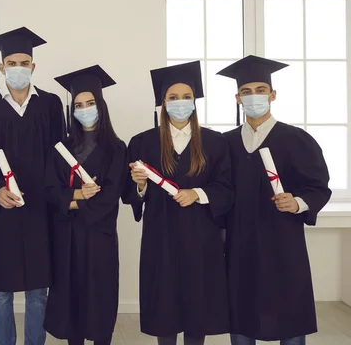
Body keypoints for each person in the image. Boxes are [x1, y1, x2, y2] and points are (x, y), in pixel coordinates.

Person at [217, 55, 332, 345]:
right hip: (239, 244)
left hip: (283, 243)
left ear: (272, 94)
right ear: (237, 98)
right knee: (241, 312)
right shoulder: (225, 143)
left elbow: (318, 187)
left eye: (259, 90)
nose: (253, 97)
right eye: (246, 92)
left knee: (289, 313)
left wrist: (297, 202)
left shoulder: (296, 139)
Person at [0, 27, 65, 345]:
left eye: (24, 62)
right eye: (11, 62)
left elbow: (59, 157)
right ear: (1, 67)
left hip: (38, 212)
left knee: (38, 292)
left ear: (33, 67)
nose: (18, 67)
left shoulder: (50, 106)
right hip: (2, 213)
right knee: (1, 294)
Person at [122, 61, 233, 345]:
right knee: (164, 305)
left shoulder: (215, 142)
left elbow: (227, 188)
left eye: (186, 97)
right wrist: (140, 183)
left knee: (198, 305)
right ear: (163, 102)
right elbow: (129, 194)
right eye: (173, 97)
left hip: (202, 237)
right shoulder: (143, 143)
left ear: (194, 102)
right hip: (162, 238)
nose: (180, 103)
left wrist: (198, 193)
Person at [43, 65, 126, 345]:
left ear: (100, 105)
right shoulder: (61, 149)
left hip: (99, 238)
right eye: (78, 104)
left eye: (90, 103)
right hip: (67, 239)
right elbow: (51, 193)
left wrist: (70, 201)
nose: (84, 108)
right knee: (72, 304)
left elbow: (110, 195)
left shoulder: (117, 148)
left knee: (99, 302)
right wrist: (78, 195)